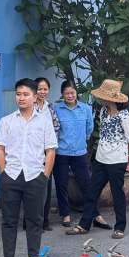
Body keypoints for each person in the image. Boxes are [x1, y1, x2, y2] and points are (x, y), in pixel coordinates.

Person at [0, 78, 57, 257]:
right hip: (11, 176)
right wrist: (3, 173)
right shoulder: (6, 121)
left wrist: (45, 176)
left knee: (35, 219)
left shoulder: (44, 122)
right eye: (18, 94)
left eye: (26, 94)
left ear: (34, 97)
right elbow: (0, 149)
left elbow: (50, 151)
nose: (21, 98)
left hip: (35, 177)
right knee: (9, 219)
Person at [68, 79, 129, 238]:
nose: (100, 99)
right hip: (101, 159)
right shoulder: (103, 112)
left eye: (102, 96)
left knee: (117, 194)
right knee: (92, 192)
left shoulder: (124, 116)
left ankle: (120, 227)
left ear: (110, 98)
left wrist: (123, 154)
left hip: (117, 161)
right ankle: (84, 224)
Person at [51, 80, 94, 228]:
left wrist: (81, 141)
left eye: (72, 93)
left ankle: (94, 213)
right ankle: (65, 214)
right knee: (61, 184)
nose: (70, 96)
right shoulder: (57, 109)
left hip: (79, 152)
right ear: (62, 94)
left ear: (76, 93)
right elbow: (54, 130)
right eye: (66, 93)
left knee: (87, 184)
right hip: (61, 152)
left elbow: (89, 129)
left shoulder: (85, 109)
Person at [31, 77, 60, 231]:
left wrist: (51, 145)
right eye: (39, 89)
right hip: (33, 152)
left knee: (46, 184)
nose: (42, 92)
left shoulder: (49, 106)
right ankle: (32, 222)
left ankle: (45, 221)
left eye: (45, 89)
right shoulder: (30, 105)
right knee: (34, 187)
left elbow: (56, 125)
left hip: (47, 152)